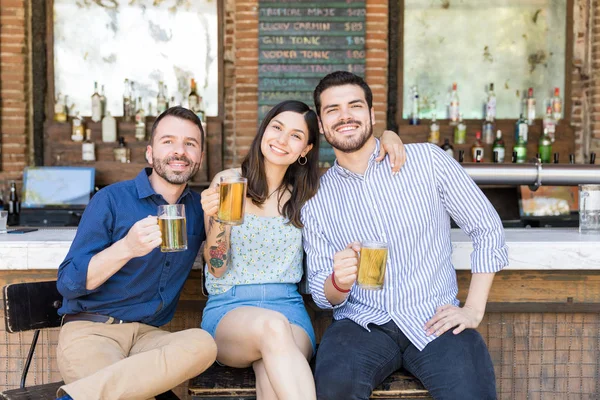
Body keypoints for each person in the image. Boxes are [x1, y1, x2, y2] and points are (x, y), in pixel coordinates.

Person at [302, 71, 509, 400]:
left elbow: (486, 226)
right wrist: (339, 281)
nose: (345, 116)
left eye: (354, 106)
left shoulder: (427, 161)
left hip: (435, 318)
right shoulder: (316, 199)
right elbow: (321, 292)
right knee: (333, 390)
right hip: (361, 323)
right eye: (332, 110)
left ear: (371, 115)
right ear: (323, 126)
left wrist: (473, 310)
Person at [199, 100, 405, 400]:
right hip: (230, 309)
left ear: (306, 149)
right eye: (277, 128)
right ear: (264, 131)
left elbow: (362, 168)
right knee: (272, 329)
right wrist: (220, 218)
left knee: (271, 374)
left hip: (290, 311)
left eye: (295, 135)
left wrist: (389, 136)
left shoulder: (307, 196)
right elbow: (216, 267)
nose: (282, 140)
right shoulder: (229, 183)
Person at [55, 106, 217, 400]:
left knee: (203, 343)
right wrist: (126, 248)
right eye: (168, 141)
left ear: (200, 157)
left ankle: (80, 396)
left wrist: (221, 217)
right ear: (149, 152)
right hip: (93, 332)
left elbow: (220, 261)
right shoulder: (111, 199)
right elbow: (68, 282)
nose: (179, 151)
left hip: (148, 338)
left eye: (190, 144)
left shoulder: (199, 209)